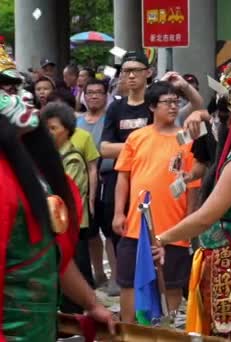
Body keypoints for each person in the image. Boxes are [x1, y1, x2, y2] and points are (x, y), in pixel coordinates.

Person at [153, 46, 231, 340]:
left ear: (229, 118)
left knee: (226, 334)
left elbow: (205, 217)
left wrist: (162, 238)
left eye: (215, 116)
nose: (211, 123)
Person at [0, 77, 114, 340]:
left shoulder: (34, 174)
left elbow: (54, 257)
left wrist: (92, 304)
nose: (17, 99)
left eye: (13, 89)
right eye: (4, 91)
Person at [112, 81, 201, 323]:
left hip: (173, 227)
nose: (173, 107)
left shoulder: (187, 139)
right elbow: (123, 176)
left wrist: (189, 221)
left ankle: (166, 329)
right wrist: (118, 212)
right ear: (152, 106)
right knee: (129, 281)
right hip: (135, 227)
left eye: (176, 102)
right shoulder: (136, 137)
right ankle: (129, 331)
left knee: (171, 284)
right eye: (167, 102)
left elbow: (193, 185)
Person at [41, 102, 97, 314]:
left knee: (74, 267)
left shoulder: (71, 158)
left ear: (67, 130)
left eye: (53, 128)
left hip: (72, 225)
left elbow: (60, 195)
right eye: (45, 128)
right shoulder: (51, 157)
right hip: (58, 224)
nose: (48, 133)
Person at [100, 51, 153, 253]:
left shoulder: (154, 105)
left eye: (135, 71)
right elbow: (105, 148)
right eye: (126, 71)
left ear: (148, 72)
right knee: (120, 236)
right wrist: (142, 146)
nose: (130, 76)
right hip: (118, 179)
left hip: (148, 177)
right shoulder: (115, 108)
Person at [78, 79, 120, 296]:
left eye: (98, 92)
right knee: (91, 231)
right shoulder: (77, 121)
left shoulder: (111, 118)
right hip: (83, 181)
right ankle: (98, 272)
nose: (94, 96)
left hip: (110, 176)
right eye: (90, 92)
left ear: (106, 95)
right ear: (83, 95)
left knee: (110, 230)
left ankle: (115, 275)